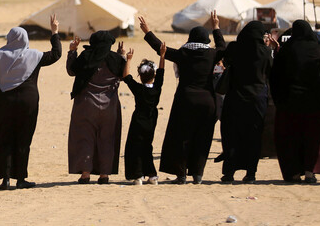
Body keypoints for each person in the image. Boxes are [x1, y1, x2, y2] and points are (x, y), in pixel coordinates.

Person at [0, 16, 61, 189]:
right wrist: (54, 32)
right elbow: (56, 54)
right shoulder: (35, 55)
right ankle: (20, 179)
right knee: (23, 139)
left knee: (5, 138)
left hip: (5, 102)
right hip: (28, 103)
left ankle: (5, 179)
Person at [139, 12, 225, 184]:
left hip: (185, 101)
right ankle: (198, 174)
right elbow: (222, 47)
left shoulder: (183, 54)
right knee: (203, 137)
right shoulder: (212, 54)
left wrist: (147, 32)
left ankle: (181, 175)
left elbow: (160, 48)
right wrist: (216, 27)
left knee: (180, 138)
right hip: (208, 101)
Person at [270, 20, 320, 183]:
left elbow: (275, 75)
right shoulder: (317, 48)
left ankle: (293, 173)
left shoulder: (287, 50)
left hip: (290, 103)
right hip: (316, 103)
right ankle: (310, 171)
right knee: (313, 138)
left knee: (291, 138)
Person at [216, 21, 272, 184]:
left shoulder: (234, 48)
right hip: (257, 101)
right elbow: (270, 70)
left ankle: (229, 173)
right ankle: (251, 173)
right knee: (253, 137)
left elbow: (225, 61)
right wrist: (266, 47)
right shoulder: (265, 51)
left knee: (232, 135)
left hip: (235, 98)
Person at [67, 31, 125, 184]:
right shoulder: (115, 59)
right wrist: (122, 56)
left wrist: (73, 51)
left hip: (85, 104)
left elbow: (71, 70)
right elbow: (124, 73)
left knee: (85, 137)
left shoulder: (86, 56)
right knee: (107, 138)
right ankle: (104, 175)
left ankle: (85, 173)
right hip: (110, 105)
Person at [122, 43, 166, 185]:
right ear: (153, 75)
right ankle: (152, 175)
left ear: (140, 76)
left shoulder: (139, 89)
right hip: (151, 119)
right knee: (148, 146)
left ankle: (138, 175)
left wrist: (128, 59)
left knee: (135, 146)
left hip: (138, 120)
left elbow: (126, 77)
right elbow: (161, 71)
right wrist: (162, 55)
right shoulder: (157, 89)